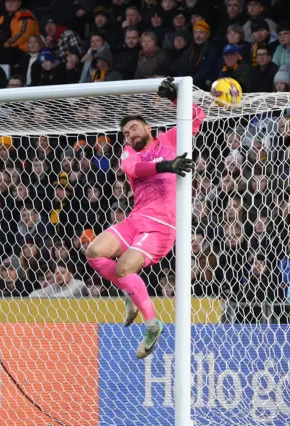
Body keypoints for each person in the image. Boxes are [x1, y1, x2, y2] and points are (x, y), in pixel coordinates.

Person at [85, 77, 205, 359]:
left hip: (162, 226)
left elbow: (197, 117)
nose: (130, 135)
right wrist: (167, 165)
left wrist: (177, 97)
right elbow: (134, 168)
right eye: (126, 133)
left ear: (149, 128)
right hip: (136, 219)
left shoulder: (171, 139)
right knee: (94, 251)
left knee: (125, 268)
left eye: (134, 128)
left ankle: (152, 325)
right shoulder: (128, 153)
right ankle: (132, 294)